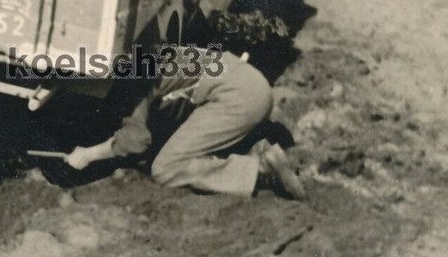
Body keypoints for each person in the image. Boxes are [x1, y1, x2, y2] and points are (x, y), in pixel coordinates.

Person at [64, 48, 306, 200]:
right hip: (251, 83)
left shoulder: (131, 79)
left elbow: (137, 141)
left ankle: (261, 172)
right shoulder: (145, 56)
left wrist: (87, 155)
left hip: (237, 97)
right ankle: (263, 151)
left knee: (165, 168)